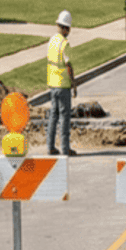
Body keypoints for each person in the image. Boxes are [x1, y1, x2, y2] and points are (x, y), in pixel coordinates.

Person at [46, 10, 77, 156]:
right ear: (66, 28)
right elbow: (68, 66)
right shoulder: (64, 44)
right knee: (64, 117)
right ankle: (65, 148)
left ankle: (50, 147)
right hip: (63, 85)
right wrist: (74, 84)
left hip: (52, 84)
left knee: (53, 115)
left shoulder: (52, 41)